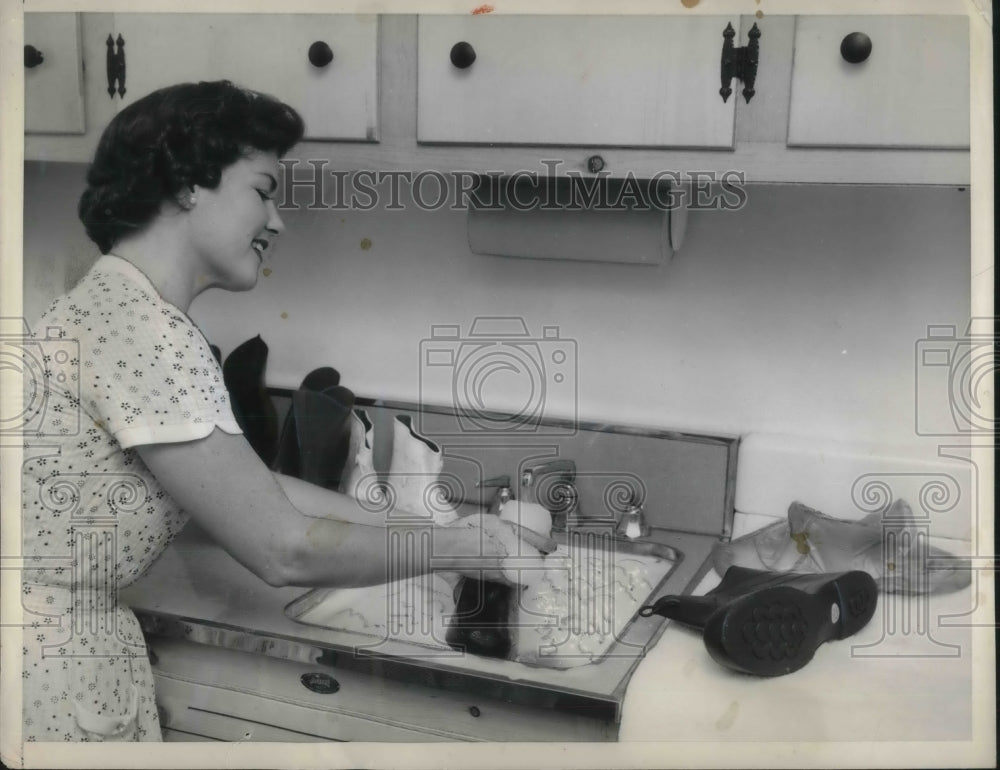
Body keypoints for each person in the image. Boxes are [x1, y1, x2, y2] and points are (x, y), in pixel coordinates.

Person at [20, 80, 554, 742]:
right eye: (264, 191)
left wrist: (423, 527)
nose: (278, 220)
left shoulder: (108, 305)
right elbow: (282, 548)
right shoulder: (148, 332)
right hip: (45, 675)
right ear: (188, 184)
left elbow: (250, 491)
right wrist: (457, 545)